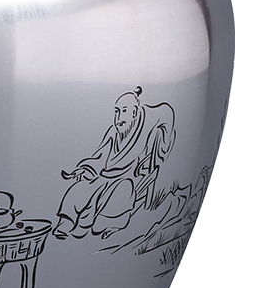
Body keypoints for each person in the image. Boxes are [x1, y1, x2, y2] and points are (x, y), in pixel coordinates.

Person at [54, 86, 176, 240]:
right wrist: (85, 168)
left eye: (124, 111)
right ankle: (66, 224)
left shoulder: (146, 126)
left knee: (121, 190)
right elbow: (100, 156)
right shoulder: (114, 132)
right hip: (104, 176)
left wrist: (161, 149)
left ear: (134, 112)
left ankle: (107, 224)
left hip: (128, 178)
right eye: (117, 111)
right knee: (79, 188)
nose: (118, 118)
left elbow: (166, 113)